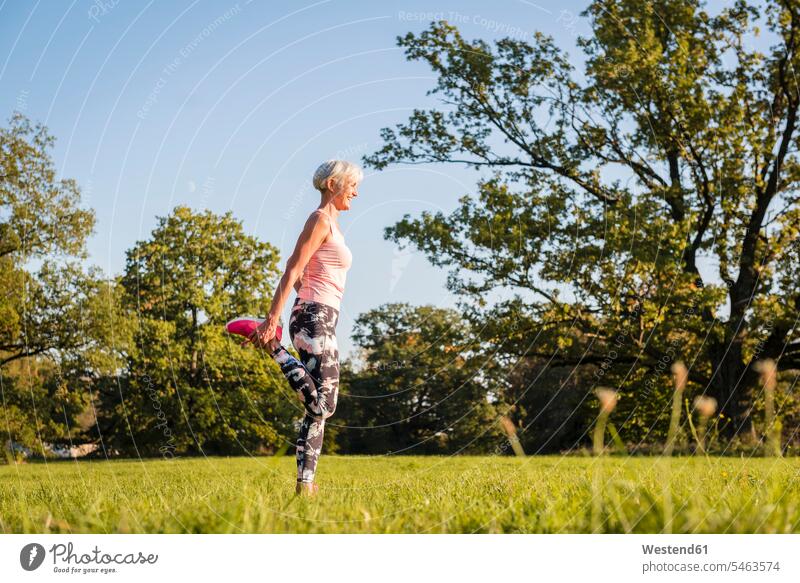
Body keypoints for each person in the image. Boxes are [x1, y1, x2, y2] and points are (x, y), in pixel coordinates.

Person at [247, 159, 359, 496]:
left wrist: (304, 301)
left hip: (320, 315)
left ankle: (305, 485)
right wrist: (272, 318)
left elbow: (305, 277)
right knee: (322, 406)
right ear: (333, 184)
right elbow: (293, 268)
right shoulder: (319, 219)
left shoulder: (333, 226)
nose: (356, 192)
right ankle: (274, 348)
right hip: (313, 317)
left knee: (322, 409)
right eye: (352, 184)